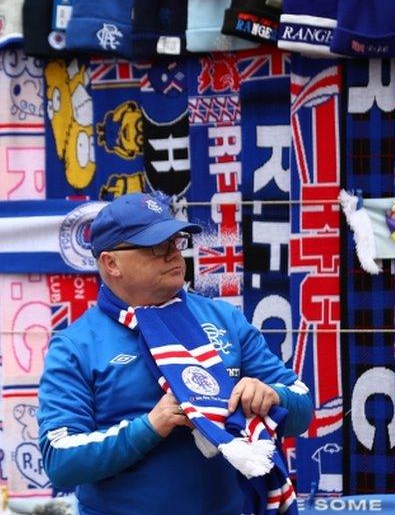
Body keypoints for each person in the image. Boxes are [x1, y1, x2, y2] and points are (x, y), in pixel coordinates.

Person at [37, 193, 314, 514]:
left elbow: (302, 411)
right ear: (111, 263)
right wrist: (151, 426)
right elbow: (60, 461)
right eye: (155, 246)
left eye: (175, 241)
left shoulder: (224, 319)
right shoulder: (76, 345)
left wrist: (272, 396)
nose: (173, 255)